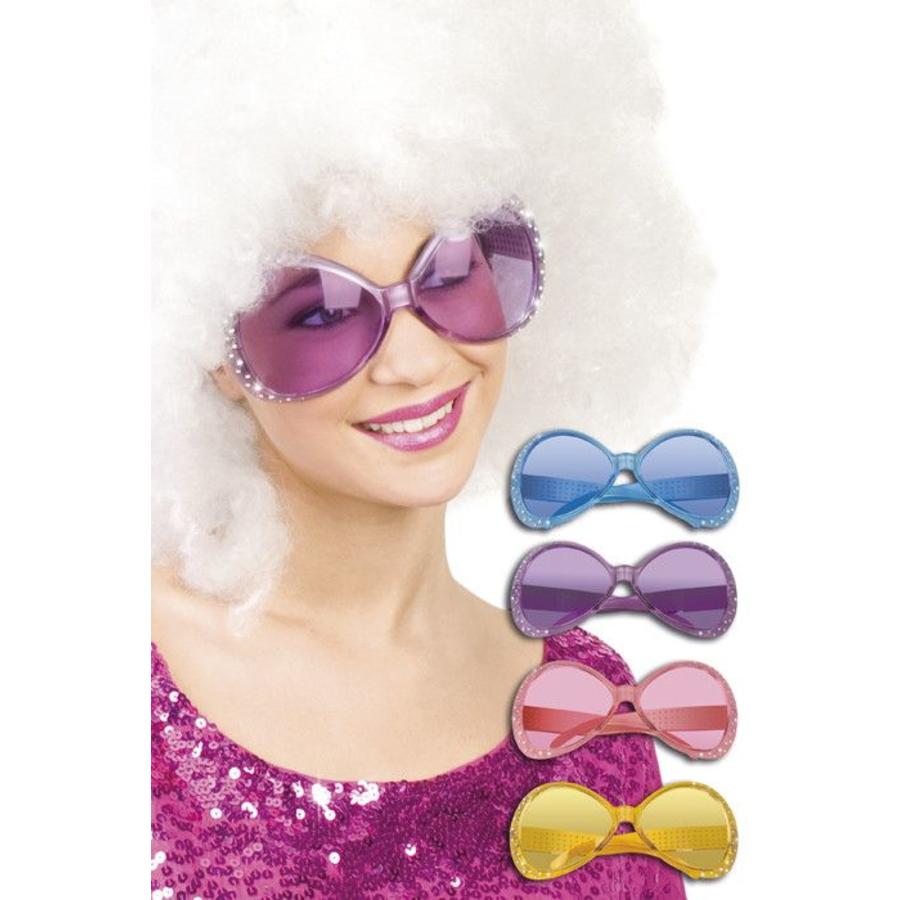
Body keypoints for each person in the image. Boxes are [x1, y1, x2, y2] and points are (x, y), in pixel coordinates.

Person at [151, 2, 708, 896]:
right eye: (324, 313)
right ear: (212, 354)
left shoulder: (583, 719)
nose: (414, 361)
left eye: (449, 275)